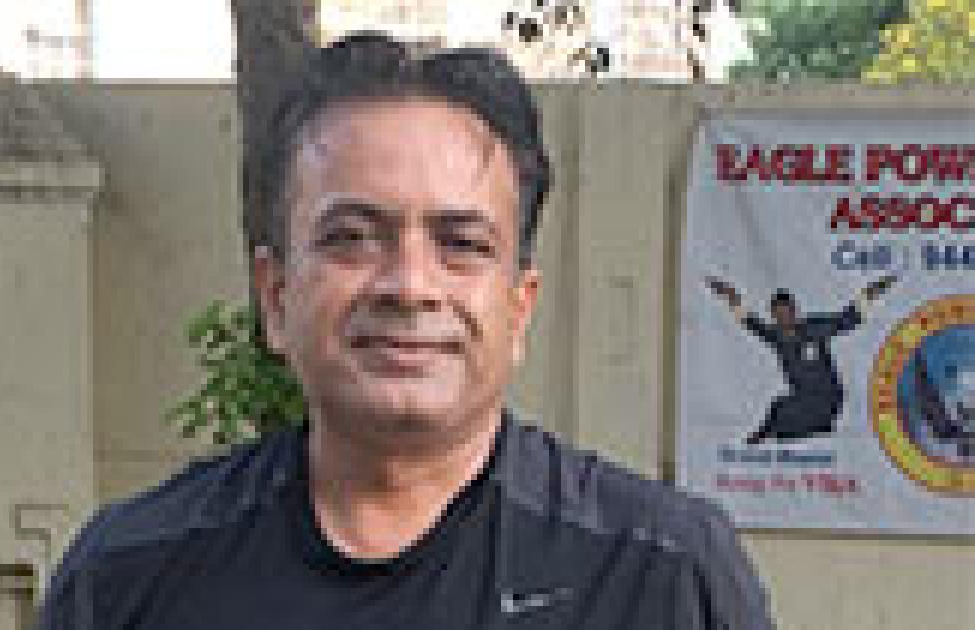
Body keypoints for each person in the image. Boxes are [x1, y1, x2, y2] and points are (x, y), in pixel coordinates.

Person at [37, 33, 774, 629]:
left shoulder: (661, 576)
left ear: (519, 306)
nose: (410, 286)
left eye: (461, 243)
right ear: (275, 296)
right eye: (353, 238)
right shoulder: (129, 577)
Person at [706, 275, 897, 445]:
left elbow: (847, 319)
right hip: (802, 397)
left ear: (794, 310)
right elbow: (749, 321)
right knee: (778, 407)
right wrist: (730, 296)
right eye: (778, 315)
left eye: (786, 312)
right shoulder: (776, 336)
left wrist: (870, 293)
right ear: (773, 316)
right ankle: (762, 439)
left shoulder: (814, 328)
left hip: (828, 397)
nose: (783, 318)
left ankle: (815, 426)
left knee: (787, 420)